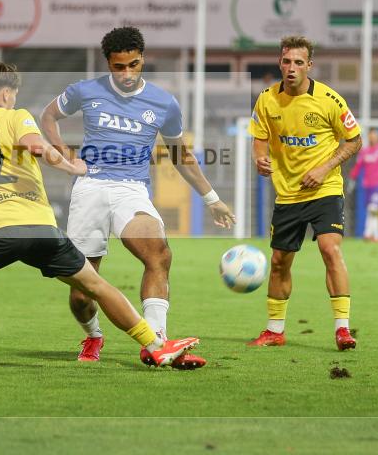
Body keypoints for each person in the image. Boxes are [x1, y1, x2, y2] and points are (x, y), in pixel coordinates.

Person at [0, 54, 200, 371]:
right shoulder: (16, 116)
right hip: (43, 231)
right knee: (97, 286)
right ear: (8, 93)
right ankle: (156, 345)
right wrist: (69, 164)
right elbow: (37, 147)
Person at [40, 26, 234, 369]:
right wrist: (65, 155)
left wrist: (211, 198)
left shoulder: (163, 102)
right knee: (81, 292)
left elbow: (181, 155)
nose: (127, 74)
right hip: (90, 187)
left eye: (133, 64)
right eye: (119, 67)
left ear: (143, 58)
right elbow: (49, 115)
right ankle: (93, 333)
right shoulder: (85, 91)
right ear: (108, 63)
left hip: (131, 189)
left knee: (159, 255)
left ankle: (157, 343)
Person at [248, 35, 362, 351]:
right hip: (287, 194)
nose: (292, 68)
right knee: (280, 261)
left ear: (309, 65)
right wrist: (259, 157)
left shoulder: (329, 100)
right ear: (280, 63)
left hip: (325, 189)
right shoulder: (266, 100)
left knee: (330, 249)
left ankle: (342, 329)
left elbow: (354, 141)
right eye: (287, 61)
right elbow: (259, 136)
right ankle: (274, 331)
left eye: (299, 62)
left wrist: (324, 168)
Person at [348, 128, 378, 242]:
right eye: (371, 135)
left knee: (373, 208)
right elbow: (357, 166)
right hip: (367, 185)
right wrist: (352, 179)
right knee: (371, 209)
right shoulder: (364, 151)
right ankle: (377, 235)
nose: (373, 137)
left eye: (375, 135)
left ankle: (367, 233)